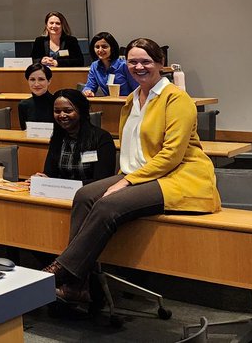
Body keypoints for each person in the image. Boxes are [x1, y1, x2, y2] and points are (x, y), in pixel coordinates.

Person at [45, 38, 219, 304]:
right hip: (139, 174)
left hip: (178, 177)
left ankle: (63, 272)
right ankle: (80, 285)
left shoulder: (177, 99)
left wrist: (126, 183)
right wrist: (123, 178)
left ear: (160, 64)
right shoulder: (132, 99)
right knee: (84, 196)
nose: (139, 66)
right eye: (133, 61)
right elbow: (132, 149)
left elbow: (171, 156)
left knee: (107, 205)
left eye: (146, 61)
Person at [32, 89, 116, 185]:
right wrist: (40, 179)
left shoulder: (101, 138)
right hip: (59, 193)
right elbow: (50, 173)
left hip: (89, 195)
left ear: (81, 111)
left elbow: (102, 181)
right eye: (57, 111)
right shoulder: (58, 137)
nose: (62, 115)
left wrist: (60, 184)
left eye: (68, 111)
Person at [82, 31, 137, 97]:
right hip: (109, 104)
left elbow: (137, 89)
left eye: (104, 46)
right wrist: (88, 91)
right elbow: (90, 86)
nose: (100, 50)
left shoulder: (124, 65)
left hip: (128, 103)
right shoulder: (94, 66)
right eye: (97, 47)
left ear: (112, 48)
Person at [17, 63, 54, 130]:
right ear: (28, 81)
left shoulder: (57, 103)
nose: (36, 84)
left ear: (49, 81)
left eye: (41, 79)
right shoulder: (23, 105)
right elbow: (25, 132)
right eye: (32, 80)